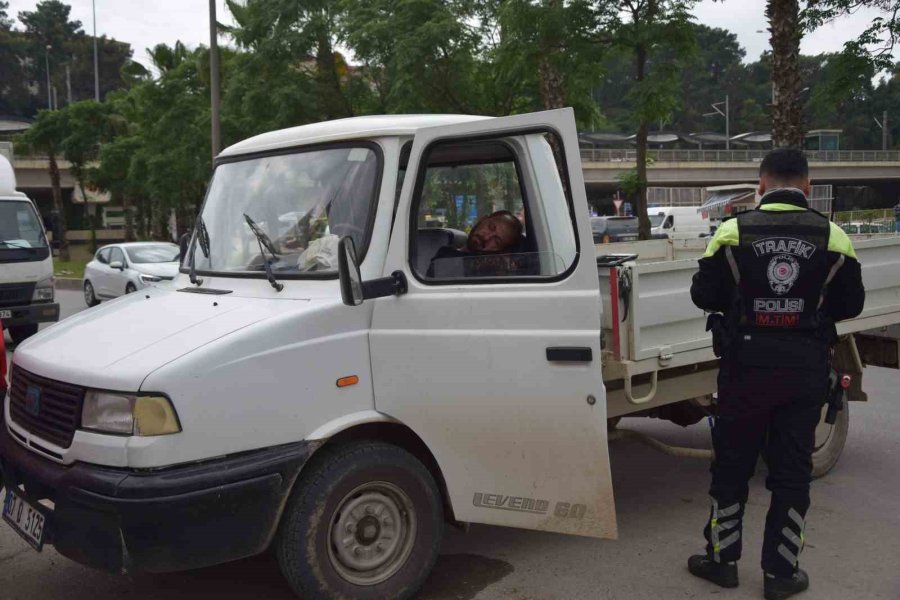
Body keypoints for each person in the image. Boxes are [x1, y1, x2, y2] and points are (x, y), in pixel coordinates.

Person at [687, 148, 865, 600]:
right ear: (807, 187)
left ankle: (722, 562)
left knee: (732, 465)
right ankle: (781, 575)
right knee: (791, 472)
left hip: (744, 369)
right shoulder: (833, 235)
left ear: (760, 186)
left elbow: (703, 294)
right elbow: (851, 305)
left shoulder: (731, 231)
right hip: (804, 368)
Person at [427, 210, 528, 278]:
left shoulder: (497, 272)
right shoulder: (445, 255)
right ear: (482, 219)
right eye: (491, 227)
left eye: (497, 241)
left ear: (501, 250)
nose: (487, 237)